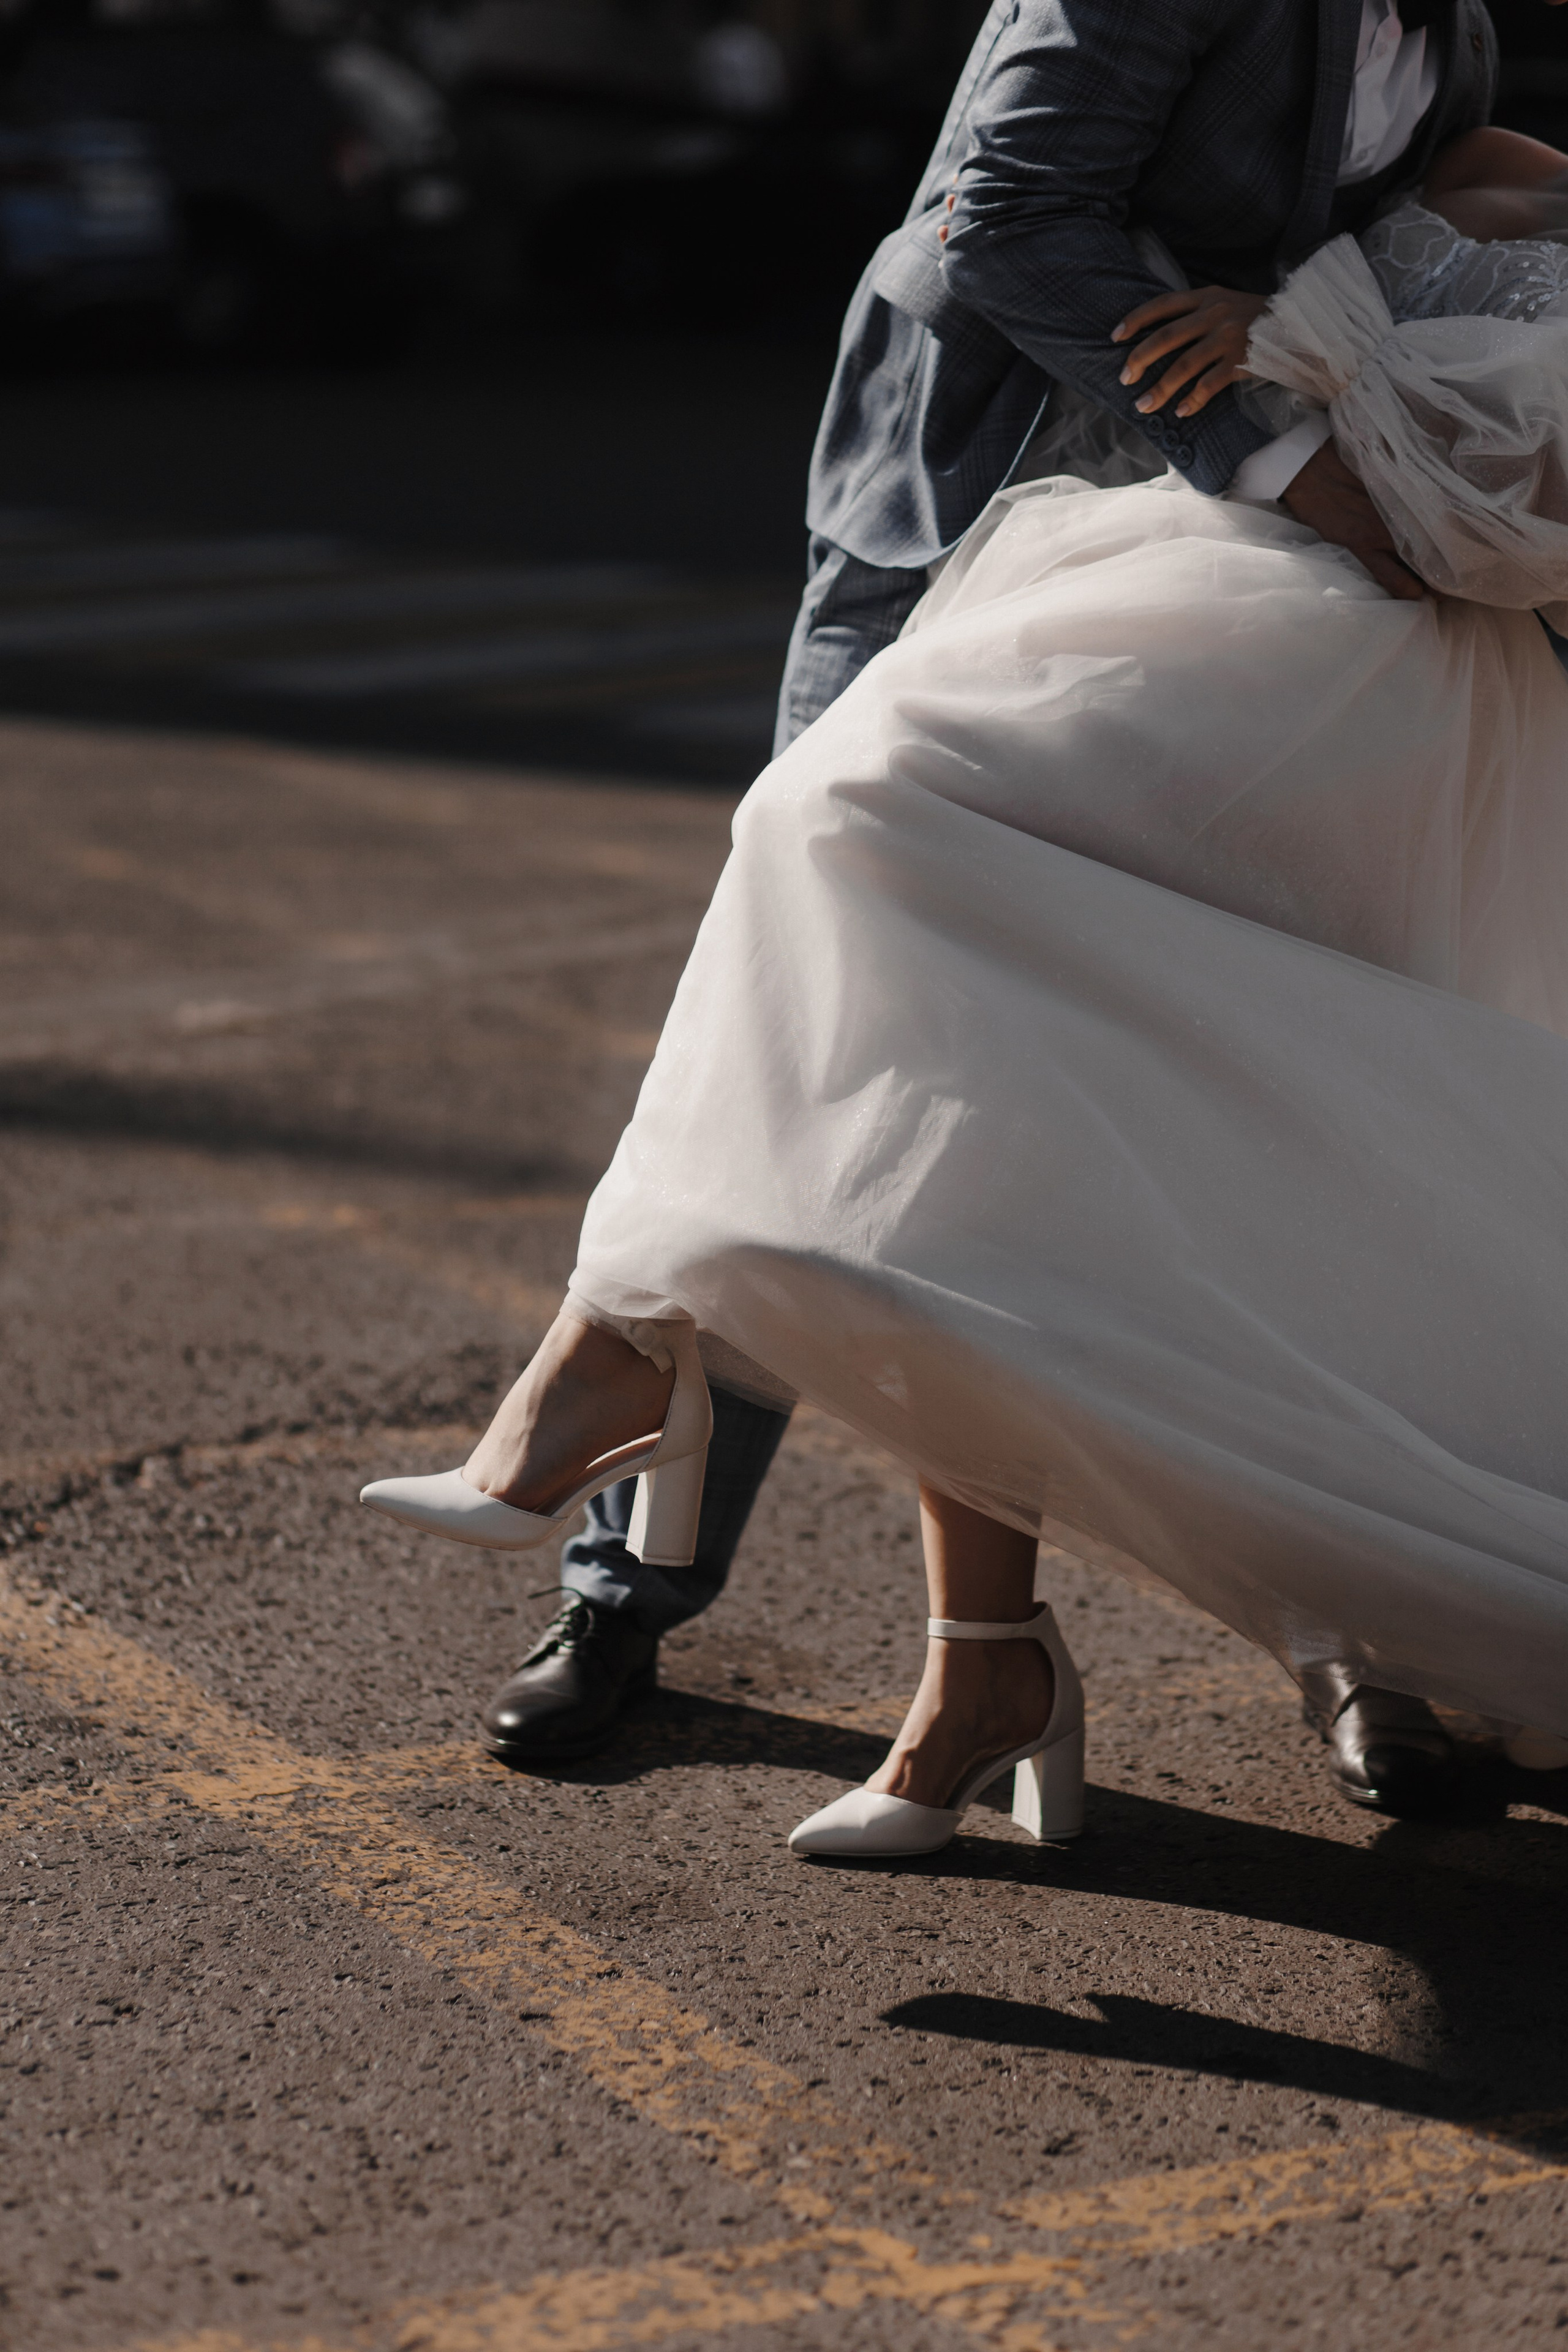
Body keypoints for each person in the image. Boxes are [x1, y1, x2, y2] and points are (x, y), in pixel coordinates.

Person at [362, 130, 1568, 1858]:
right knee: (910, 987)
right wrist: (1295, 348)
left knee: (948, 925)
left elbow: (1505, 522)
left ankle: (1289, 1643)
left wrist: (1319, 357)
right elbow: (1019, 200)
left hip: (1348, 665)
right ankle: (742, 1567)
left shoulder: (1440, 60)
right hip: (1138, 557)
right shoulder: (1463, 97)